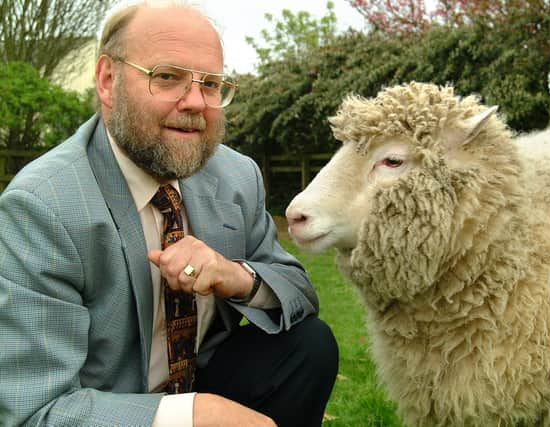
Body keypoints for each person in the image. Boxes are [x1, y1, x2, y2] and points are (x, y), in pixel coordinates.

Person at [0, 1, 338, 426]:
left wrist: (237, 276)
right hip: (109, 407)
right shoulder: (43, 206)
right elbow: (33, 410)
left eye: (211, 84)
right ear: (108, 81)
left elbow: (300, 296)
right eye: (166, 77)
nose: (196, 102)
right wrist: (190, 416)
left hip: (206, 371)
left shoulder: (236, 175)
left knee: (310, 345)